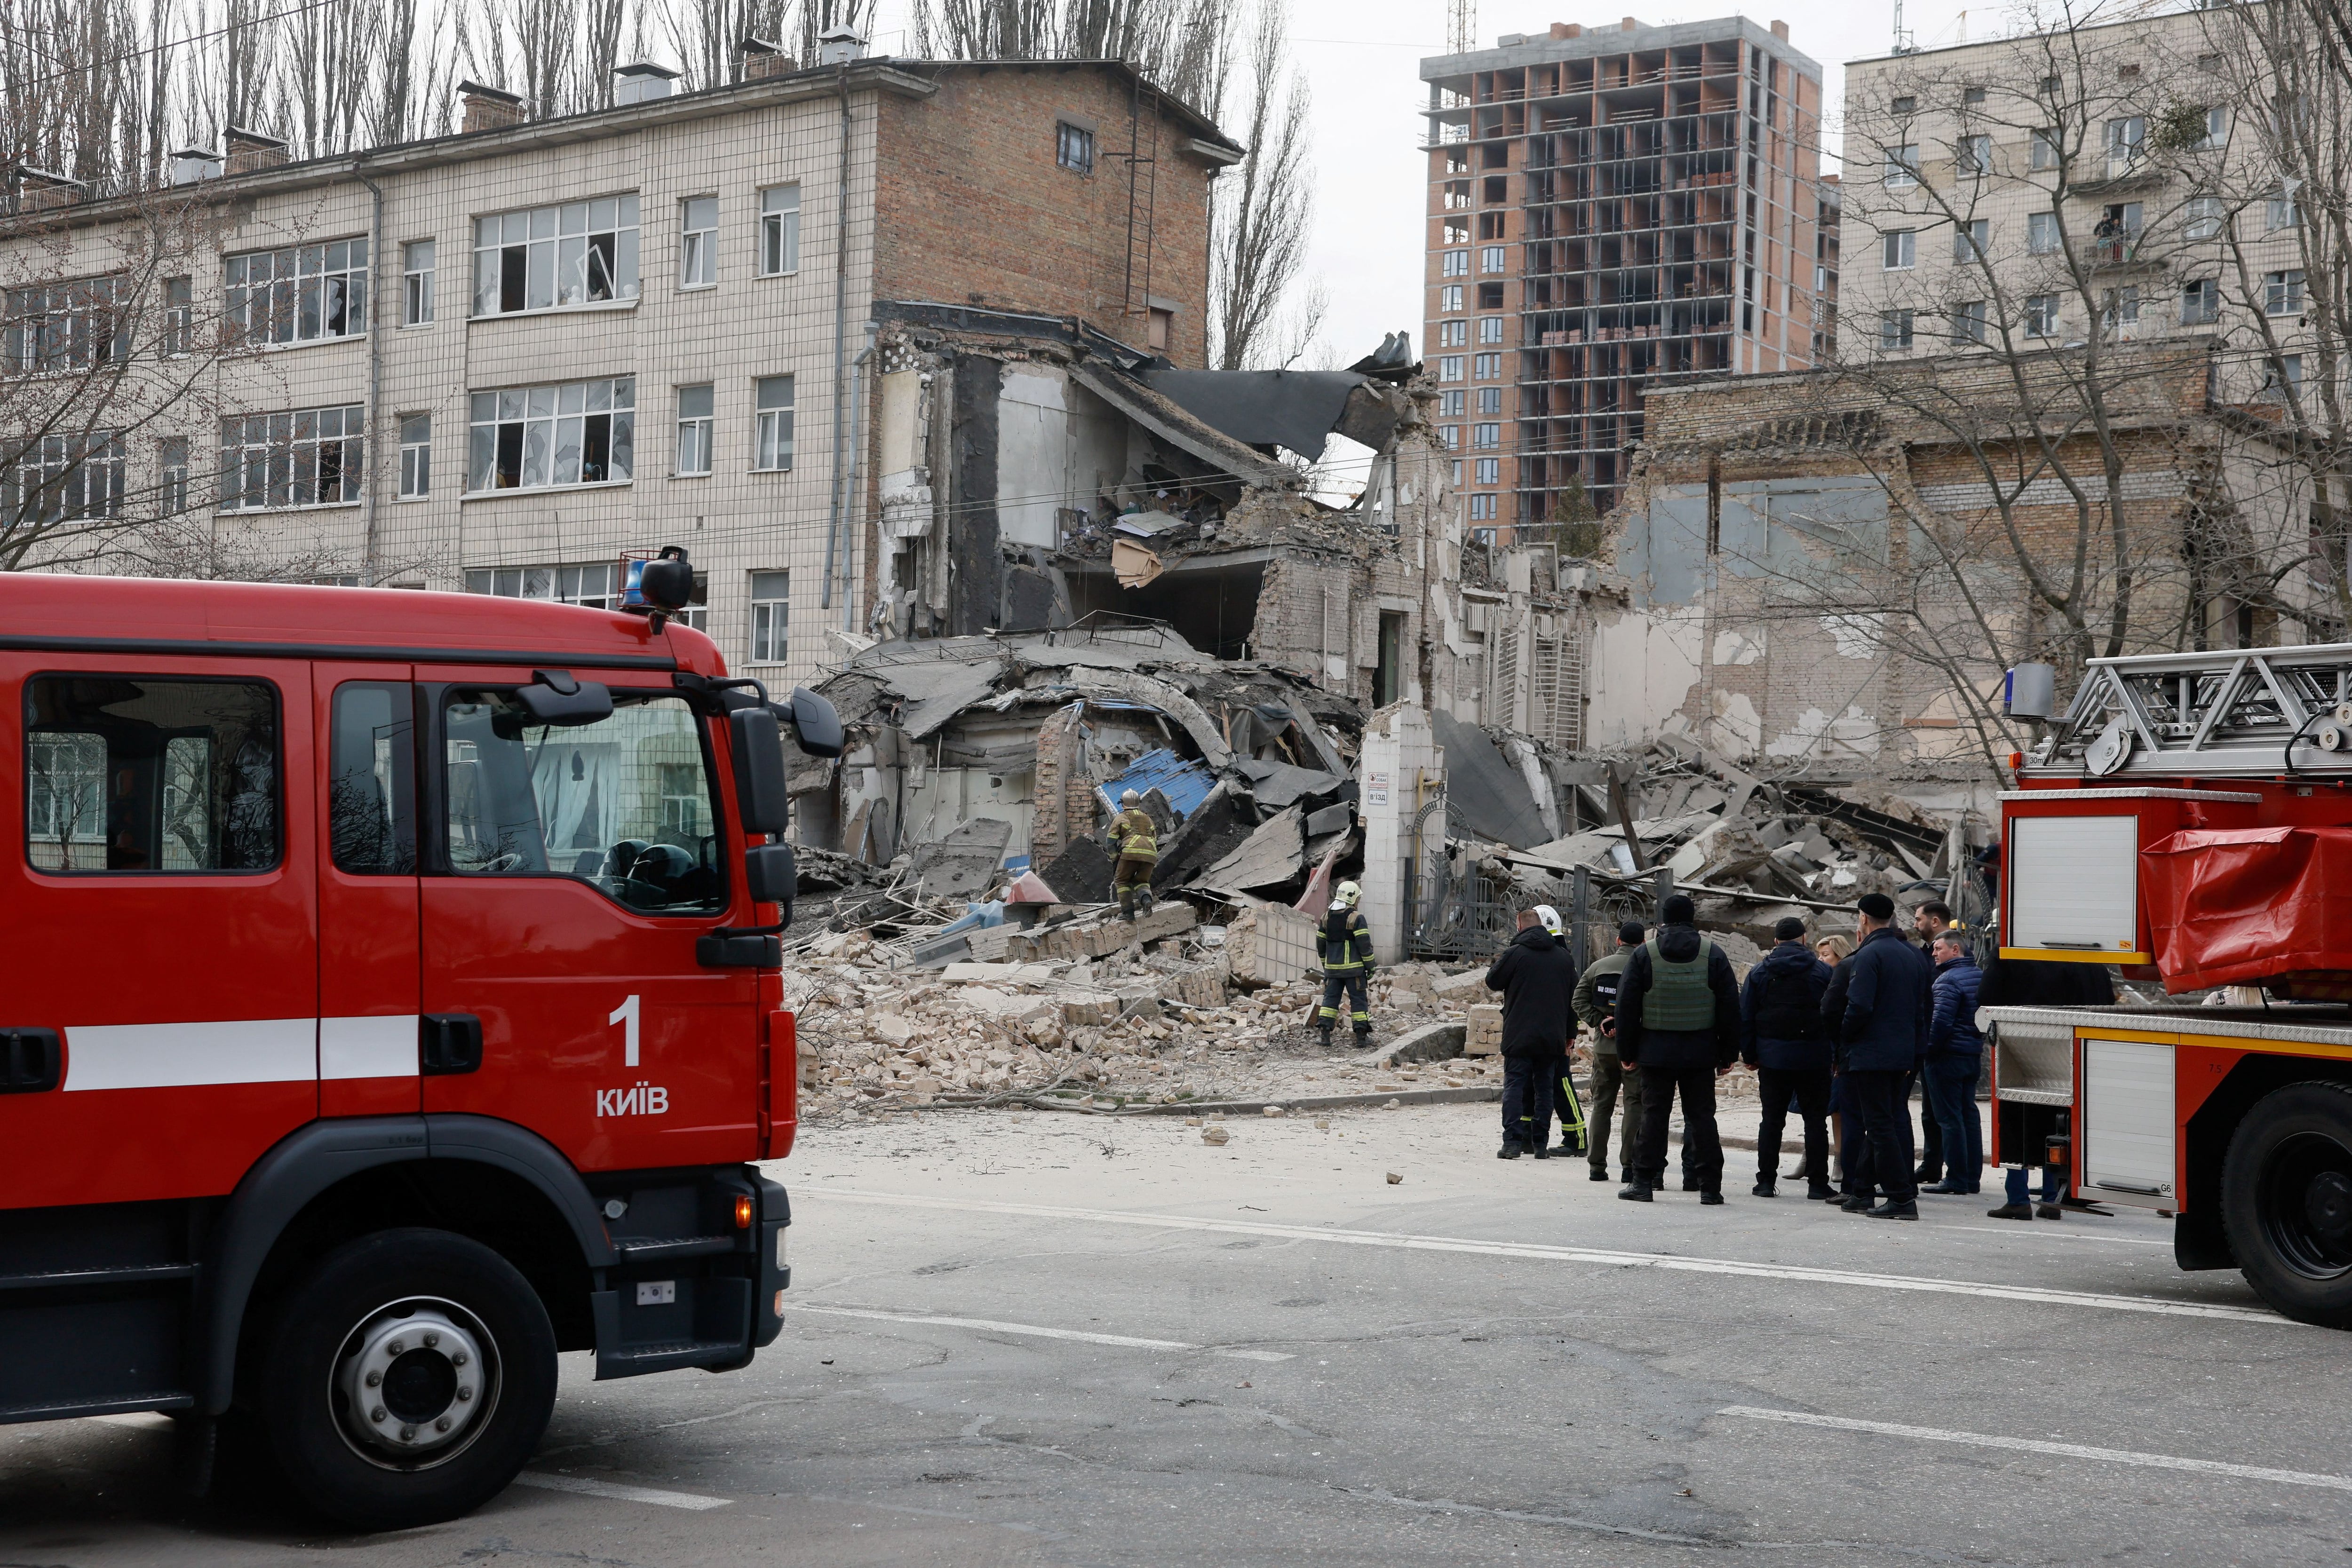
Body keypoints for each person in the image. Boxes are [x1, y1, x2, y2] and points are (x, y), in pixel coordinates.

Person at [1616, 895, 1741, 1204]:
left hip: (1656, 1053)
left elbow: (1627, 1009)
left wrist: (1627, 1053)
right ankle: (1710, 1188)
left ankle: (1643, 1183)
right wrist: (1728, 1055)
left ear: (1663, 919)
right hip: (1700, 1054)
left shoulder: (1645, 954)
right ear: (1693, 919)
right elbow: (1730, 1008)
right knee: (1702, 1119)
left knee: (1654, 1116)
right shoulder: (1714, 954)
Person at [1979, 952, 2118, 1220]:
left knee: (2015, 1125)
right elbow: (2108, 1005)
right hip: (2076, 1051)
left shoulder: (2012, 956)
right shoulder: (2094, 962)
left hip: (2022, 1049)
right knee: (2059, 1125)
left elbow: (1986, 1000)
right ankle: (2051, 1198)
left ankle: (2018, 1199)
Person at [1832, 891, 1935, 1220]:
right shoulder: (1913, 955)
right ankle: (1862, 1191)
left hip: (1872, 1053)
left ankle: (1901, 1199)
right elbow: (1923, 1008)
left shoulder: (1869, 954)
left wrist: (1845, 1039)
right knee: (1884, 1121)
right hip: (1904, 1052)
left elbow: (1859, 1006)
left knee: (1878, 1126)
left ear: (1863, 918)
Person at [1740, 916, 1836, 1200]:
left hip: (1773, 1058)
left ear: (1776, 941)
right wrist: (1835, 1053)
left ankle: (1766, 1182)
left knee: (1771, 1120)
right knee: (1816, 1122)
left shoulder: (1759, 973)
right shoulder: (1822, 972)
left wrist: (1750, 1055)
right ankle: (1818, 1183)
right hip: (1814, 1058)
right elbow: (1833, 1014)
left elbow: (1746, 1017)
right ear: (1805, 939)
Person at [1486, 905, 1580, 1159]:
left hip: (1519, 1035)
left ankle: (1513, 1144)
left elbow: (1492, 981)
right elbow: (1573, 1001)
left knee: (1515, 1087)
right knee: (1545, 1089)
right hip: (1552, 1037)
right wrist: (1570, 1034)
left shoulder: (1515, 954)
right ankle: (1540, 1145)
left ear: (1519, 926)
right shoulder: (1564, 958)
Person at [1573, 920, 1648, 1183]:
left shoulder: (1597, 967)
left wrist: (1600, 1021)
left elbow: (1578, 1001)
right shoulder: (1645, 966)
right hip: (1635, 1048)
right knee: (1634, 1105)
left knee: (1602, 1106)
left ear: (1618, 941)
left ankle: (1596, 1166)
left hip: (1604, 1049)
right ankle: (1629, 1166)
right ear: (1643, 943)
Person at [1922, 928, 1985, 1195]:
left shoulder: (1947, 980)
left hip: (1946, 1057)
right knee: (1969, 1115)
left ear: (1955, 950)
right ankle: (1971, 1179)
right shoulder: (1979, 976)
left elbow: (1940, 1024)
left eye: (1938, 949)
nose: (1934, 953)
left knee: (1949, 1119)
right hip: (1971, 1054)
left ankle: (1957, 1179)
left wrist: (1926, 1051)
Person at [1909, 901, 1955, 1185]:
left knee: (1946, 1113)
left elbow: (1941, 1006)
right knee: (1931, 1111)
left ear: (1935, 921)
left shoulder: (1949, 955)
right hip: (1931, 1041)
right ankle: (1932, 1163)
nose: (1915, 924)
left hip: (1942, 1045)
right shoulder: (1927, 954)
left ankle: (1955, 1170)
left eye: (1918, 919)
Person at [1813, 933, 1854, 1187]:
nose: (1820, 960)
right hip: (1822, 1051)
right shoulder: (1821, 979)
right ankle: (1811, 1157)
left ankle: (1840, 1161)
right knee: (1818, 1107)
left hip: (1839, 1051)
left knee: (1838, 1109)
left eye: (1825, 955)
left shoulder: (1847, 978)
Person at [1315, 880, 1376, 1046]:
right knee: (1358, 1002)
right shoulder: (1356, 918)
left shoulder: (1326, 917)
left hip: (1333, 972)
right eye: (1358, 899)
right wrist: (1370, 966)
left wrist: (1325, 964)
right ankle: (1362, 1038)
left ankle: (1325, 1037)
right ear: (1353, 898)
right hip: (1354, 972)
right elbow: (1364, 945)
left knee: (1330, 1001)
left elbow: (1320, 944)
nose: (1358, 902)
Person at [1107, 790, 1158, 921]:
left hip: (1130, 852)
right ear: (1138, 803)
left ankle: (1128, 913)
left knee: (1122, 880)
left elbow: (1111, 840)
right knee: (1141, 882)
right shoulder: (1148, 818)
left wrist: (1114, 859)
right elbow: (1154, 838)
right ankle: (1146, 901)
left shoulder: (1121, 818)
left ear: (1123, 803)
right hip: (1151, 854)